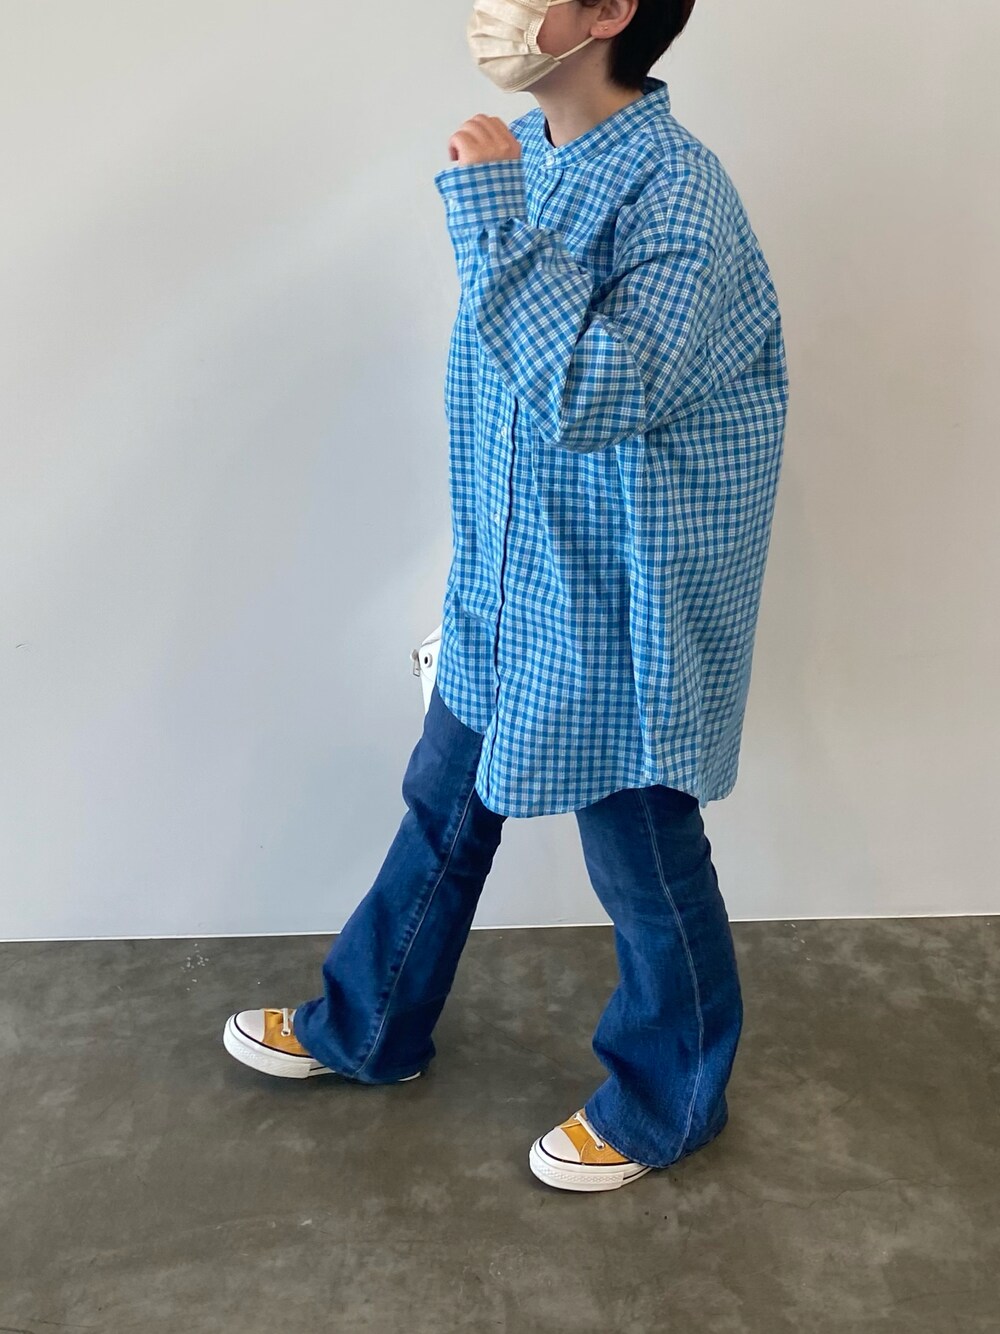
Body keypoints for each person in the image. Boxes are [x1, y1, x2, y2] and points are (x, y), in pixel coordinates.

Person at [222, 0, 789, 1194]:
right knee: (442, 806)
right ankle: (369, 1026)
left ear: (608, 13)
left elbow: (591, 393)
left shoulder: (677, 193)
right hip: (508, 578)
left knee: (641, 850)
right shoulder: (531, 152)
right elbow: (500, 390)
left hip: (619, 599)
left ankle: (670, 1099)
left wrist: (486, 216)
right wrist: (476, 564)